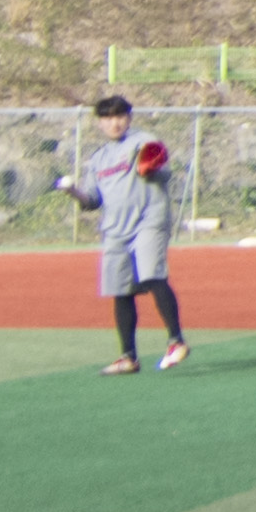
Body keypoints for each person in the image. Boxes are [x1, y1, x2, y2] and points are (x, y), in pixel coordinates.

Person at [72, 95, 188, 374]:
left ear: (129, 118)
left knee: (151, 275)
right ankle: (128, 357)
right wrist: (71, 191)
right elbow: (91, 201)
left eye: (120, 116)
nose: (115, 122)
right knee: (120, 289)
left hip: (148, 220)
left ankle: (176, 341)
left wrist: (150, 167)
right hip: (115, 229)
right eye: (108, 118)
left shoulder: (142, 141)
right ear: (100, 123)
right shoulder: (99, 158)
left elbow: (159, 167)